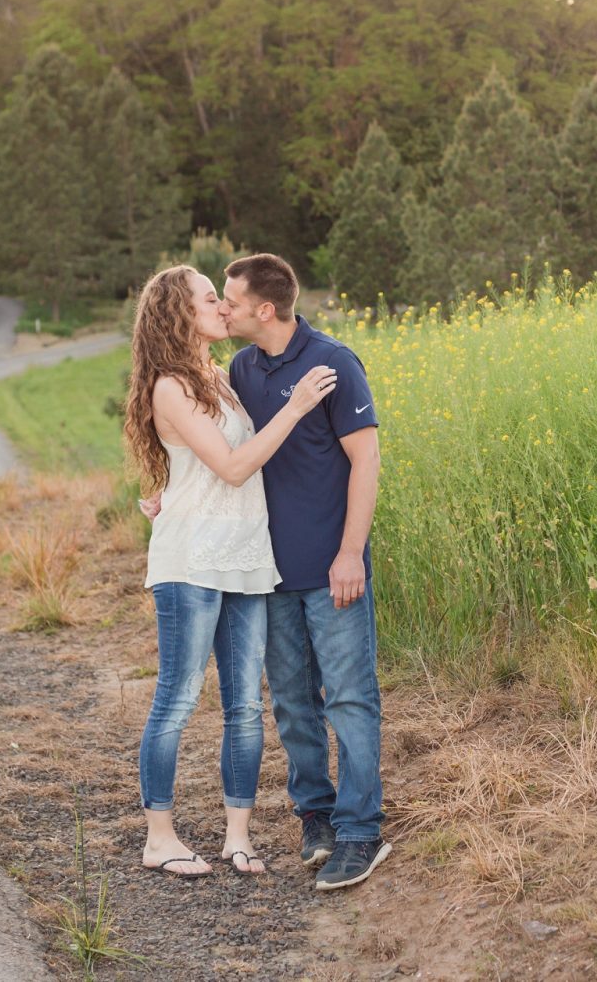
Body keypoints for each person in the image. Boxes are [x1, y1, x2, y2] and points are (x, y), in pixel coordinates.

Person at [122, 264, 337, 878]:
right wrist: (295, 407)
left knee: (245, 704)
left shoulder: (219, 377)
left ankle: (237, 836)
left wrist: (162, 489)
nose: (222, 306)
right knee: (179, 697)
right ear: (179, 314)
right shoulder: (170, 386)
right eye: (210, 298)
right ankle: (159, 837)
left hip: (244, 557)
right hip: (191, 560)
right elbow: (234, 467)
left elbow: (201, 467)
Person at [221, 254, 388, 891]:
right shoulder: (242, 366)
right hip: (268, 571)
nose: (224, 309)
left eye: (231, 299)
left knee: (348, 697)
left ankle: (360, 831)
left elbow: (366, 461)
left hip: (331, 565)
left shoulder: (333, 363)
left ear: (265, 308)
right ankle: (315, 816)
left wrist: (351, 552)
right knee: (292, 703)